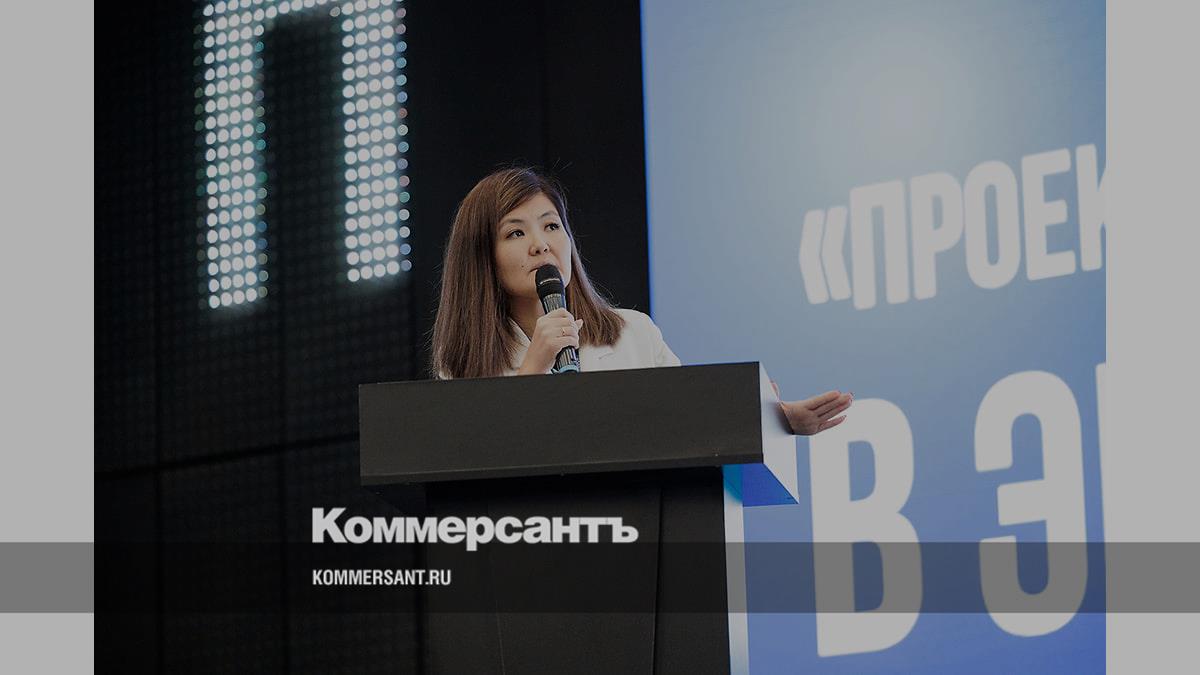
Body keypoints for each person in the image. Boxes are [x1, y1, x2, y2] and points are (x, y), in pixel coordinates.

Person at [430, 167, 853, 435]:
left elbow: (692, 419)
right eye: (516, 233)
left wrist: (773, 421)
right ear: (482, 258)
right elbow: (477, 457)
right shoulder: (464, 363)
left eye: (552, 226)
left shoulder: (633, 332)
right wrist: (534, 367)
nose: (541, 244)